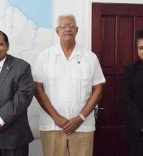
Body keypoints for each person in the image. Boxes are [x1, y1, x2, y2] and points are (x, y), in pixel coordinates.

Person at [33, 13, 106, 156]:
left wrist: (80, 118)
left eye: (71, 26)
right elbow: (37, 89)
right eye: (64, 26)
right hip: (52, 125)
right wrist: (56, 117)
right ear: (57, 31)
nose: (68, 29)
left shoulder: (90, 57)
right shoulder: (45, 57)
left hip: (82, 126)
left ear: (77, 30)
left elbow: (98, 89)